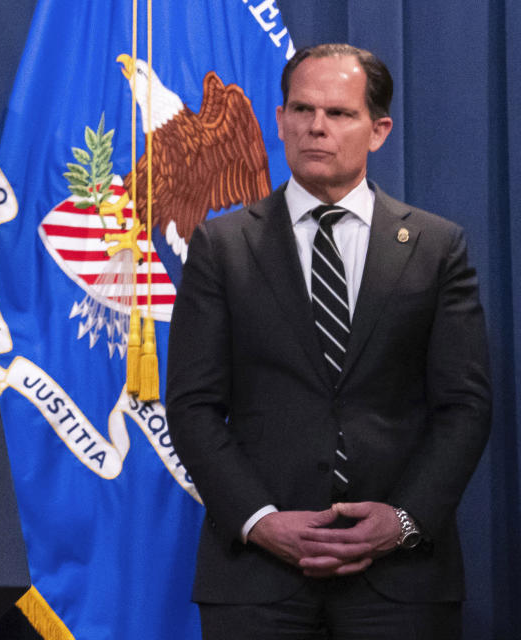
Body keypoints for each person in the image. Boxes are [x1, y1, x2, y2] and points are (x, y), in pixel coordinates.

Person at [166, 43, 490, 639]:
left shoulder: (438, 248)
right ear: (281, 119)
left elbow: (465, 407)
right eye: (302, 109)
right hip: (256, 581)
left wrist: (403, 520)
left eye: (339, 113)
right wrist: (261, 521)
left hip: (404, 582)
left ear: (379, 130)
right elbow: (192, 405)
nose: (317, 127)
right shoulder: (220, 247)